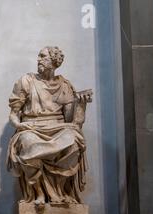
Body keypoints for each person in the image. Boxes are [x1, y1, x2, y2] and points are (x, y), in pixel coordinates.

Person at [7, 46, 93, 205]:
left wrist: (81, 105)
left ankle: (59, 193)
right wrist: (20, 126)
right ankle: (39, 194)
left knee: (74, 142)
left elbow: (74, 124)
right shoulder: (26, 81)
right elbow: (13, 114)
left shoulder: (64, 86)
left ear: (54, 61)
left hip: (58, 128)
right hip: (31, 127)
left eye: (43, 56)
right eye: (39, 56)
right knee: (28, 143)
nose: (38, 59)